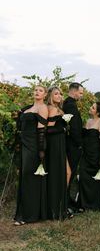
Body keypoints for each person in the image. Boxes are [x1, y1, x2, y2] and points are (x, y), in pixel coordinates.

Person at [14, 85, 48, 225]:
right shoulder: (27, 108)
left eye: (40, 90)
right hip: (23, 144)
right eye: (35, 90)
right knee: (23, 177)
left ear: (45, 94)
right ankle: (22, 213)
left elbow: (41, 132)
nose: (37, 92)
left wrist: (41, 151)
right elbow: (20, 127)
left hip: (33, 147)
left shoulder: (42, 108)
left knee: (29, 176)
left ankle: (29, 215)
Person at [46, 86, 71, 220]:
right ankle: (56, 208)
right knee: (58, 175)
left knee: (66, 173)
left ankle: (61, 206)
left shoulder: (59, 109)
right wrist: (62, 127)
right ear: (50, 96)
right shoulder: (52, 109)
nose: (59, 96)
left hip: (60, 143)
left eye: (60, 94)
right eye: (56, 94)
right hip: (54, 144)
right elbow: (48, 129)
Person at [78, 102, 100, 211]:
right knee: (84, 177)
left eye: (93, 107)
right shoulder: (88, 121)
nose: (90, 108)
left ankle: (94, 204)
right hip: (85, 153)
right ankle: (83, 204)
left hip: (95, 155)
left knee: (95, 180)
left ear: (98, 112)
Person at [62, 82, 83, 210]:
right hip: (73, 144)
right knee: (71, 172)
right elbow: (74, 126)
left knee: (70, 172)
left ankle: (67, 199)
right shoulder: (70, 104)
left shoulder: (69, 103)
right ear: (74, 91)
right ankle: (66, 201)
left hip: (70, 142)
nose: (81, 95)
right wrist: (79, 143)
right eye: (80, 93)